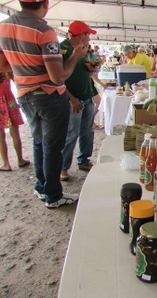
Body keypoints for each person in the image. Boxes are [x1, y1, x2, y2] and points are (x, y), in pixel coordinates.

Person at [0, 0, 88, 208]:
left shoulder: (4, 27)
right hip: (48, 95)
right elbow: (58, 77)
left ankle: (41, 187)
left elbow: (3, 65)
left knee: (39, 142)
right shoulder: (44, 30)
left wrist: (24, 72)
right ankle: (54, 195)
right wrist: (75, 57)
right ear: (46, 4)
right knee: (52, 147)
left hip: (24, 94)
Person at [60, 20, 97, 181]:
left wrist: (92, 67)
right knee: (71, 134)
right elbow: (57, 77)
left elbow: (90, 68)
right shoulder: (62, 49)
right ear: (82, 35)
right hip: (73, 99)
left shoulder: (85, 49)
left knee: (87, 131)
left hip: (87, 95)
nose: (89, 38)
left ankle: (84, 160)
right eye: (88, 34)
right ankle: (63, 167)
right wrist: (71, 98)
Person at [0, 72, 30, 171]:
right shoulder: (5, 68)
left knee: (1, 137)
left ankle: (6, 164)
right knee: (15, 134)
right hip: (9, 100)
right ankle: (20, 160)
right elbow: (17, 82)